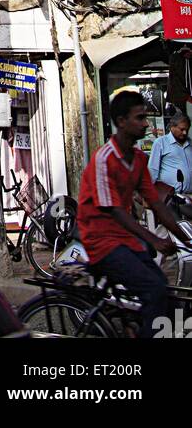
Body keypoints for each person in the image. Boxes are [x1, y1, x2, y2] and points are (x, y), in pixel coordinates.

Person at [77, 89, 191, 338]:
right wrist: (155, 240)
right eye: (139, 118)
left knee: (169, 298)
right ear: (121, 121)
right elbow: (115, 211)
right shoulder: (103, 159)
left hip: (125, 240)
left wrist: (186, 240)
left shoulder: (138, 158)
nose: (145, 124)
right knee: (154, 289)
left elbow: (157, 204)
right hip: (101, 242)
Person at [147, 111, 192, 199]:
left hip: (190, 197)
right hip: (171, 198)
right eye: (182, 129)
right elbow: (152, 171)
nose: (185, 133)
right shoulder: (160, 143)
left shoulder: (190, 143)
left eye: (187, 129)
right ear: (172, 127)